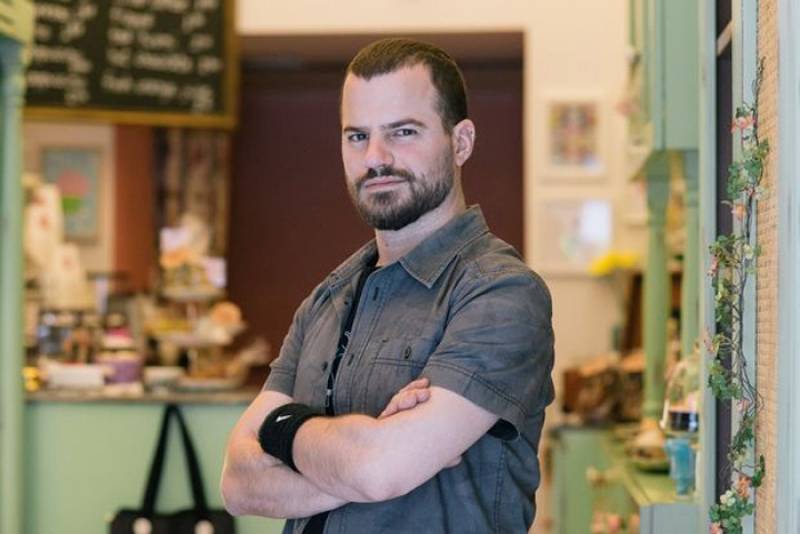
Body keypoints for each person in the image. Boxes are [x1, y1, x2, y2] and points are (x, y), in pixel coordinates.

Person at [221, 38, 555, 534]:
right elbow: (237, 485)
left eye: (403, 131)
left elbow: (382, 470)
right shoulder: (326, 300)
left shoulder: (502, 294)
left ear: (461, 142)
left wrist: (280, 430)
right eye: (357, 136)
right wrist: (372, 453)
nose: (376, 158)